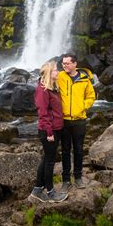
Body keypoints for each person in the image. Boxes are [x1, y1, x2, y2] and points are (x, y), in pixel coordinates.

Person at [30, 61, 68, 203]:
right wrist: (49, 132)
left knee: (46, 159)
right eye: (54, 70)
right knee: (50, 161)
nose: (57, 72)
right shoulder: (42, 90)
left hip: (55, 128)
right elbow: (43, 113)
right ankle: (51, 192)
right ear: (48, 73)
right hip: (48, 131)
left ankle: (37, 190)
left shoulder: (53, 88)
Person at [57, 53, 96, 193]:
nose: (64, 65)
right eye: (63, 63)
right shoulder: (60, 76)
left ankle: (78, 177)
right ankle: (66, 180)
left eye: (67, 63)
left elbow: (91, 96)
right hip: (64, 120)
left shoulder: (85, 79)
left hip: (80, 120)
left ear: (74, 64)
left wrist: (83, 106)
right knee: (65, 150)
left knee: (78, 149)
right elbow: (46, 80)